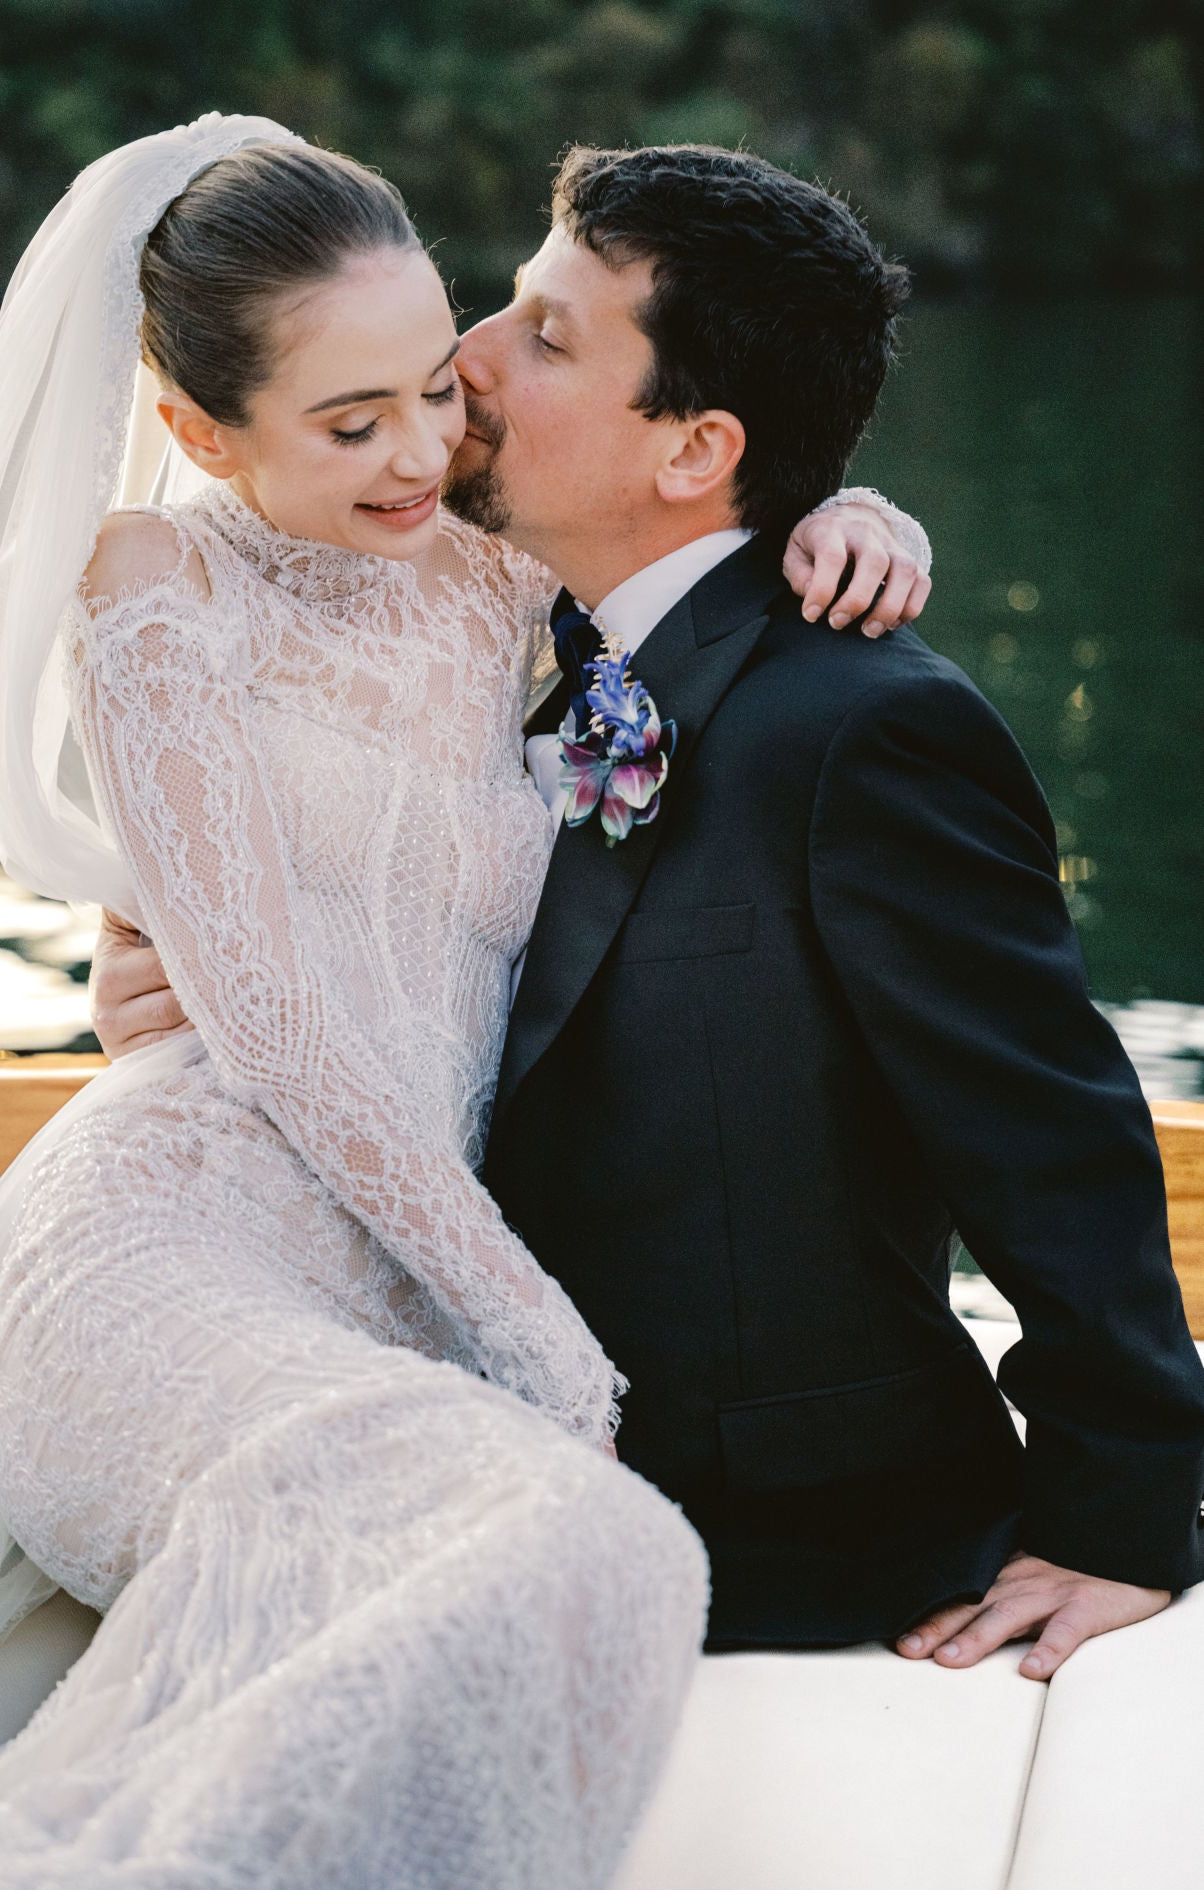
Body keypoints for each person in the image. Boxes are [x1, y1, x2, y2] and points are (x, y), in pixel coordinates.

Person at [0, 117, 926, 1890]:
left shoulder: (484, 578)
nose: (423, 454)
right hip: (164, 1261)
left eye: (437, 387)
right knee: (579, 1540)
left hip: (381, 1287)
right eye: (349, 424)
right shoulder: (155, 588)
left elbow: (680, 570)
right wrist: (526, 1321)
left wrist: (851, 519)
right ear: (202, 433)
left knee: (571, 1558)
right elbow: (268, 1015)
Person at [94, 143, 1204, 1680]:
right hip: (453, 1431)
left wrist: (1121, 1516)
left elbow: (1051, 1134)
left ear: (693, 452)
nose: (468, 360)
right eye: (506, 303)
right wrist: (183, 962)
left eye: (546, 337)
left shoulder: (866, 729)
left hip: (788, 1524)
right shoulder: (499, 616)